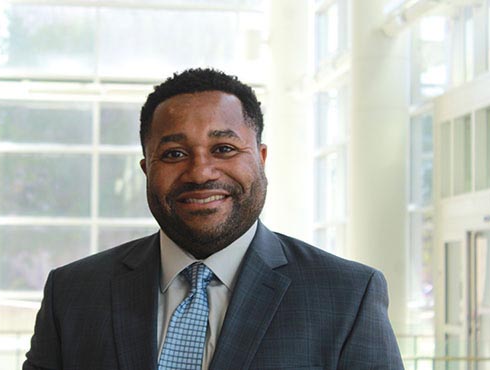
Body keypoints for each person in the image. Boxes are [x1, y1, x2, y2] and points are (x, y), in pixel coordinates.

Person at [23, 68, 404, 370]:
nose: (201, 172)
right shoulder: (72, 294)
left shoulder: (347, 296)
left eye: (223, 148)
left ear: (261, 158)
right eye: (173, 154)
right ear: (146, 168)